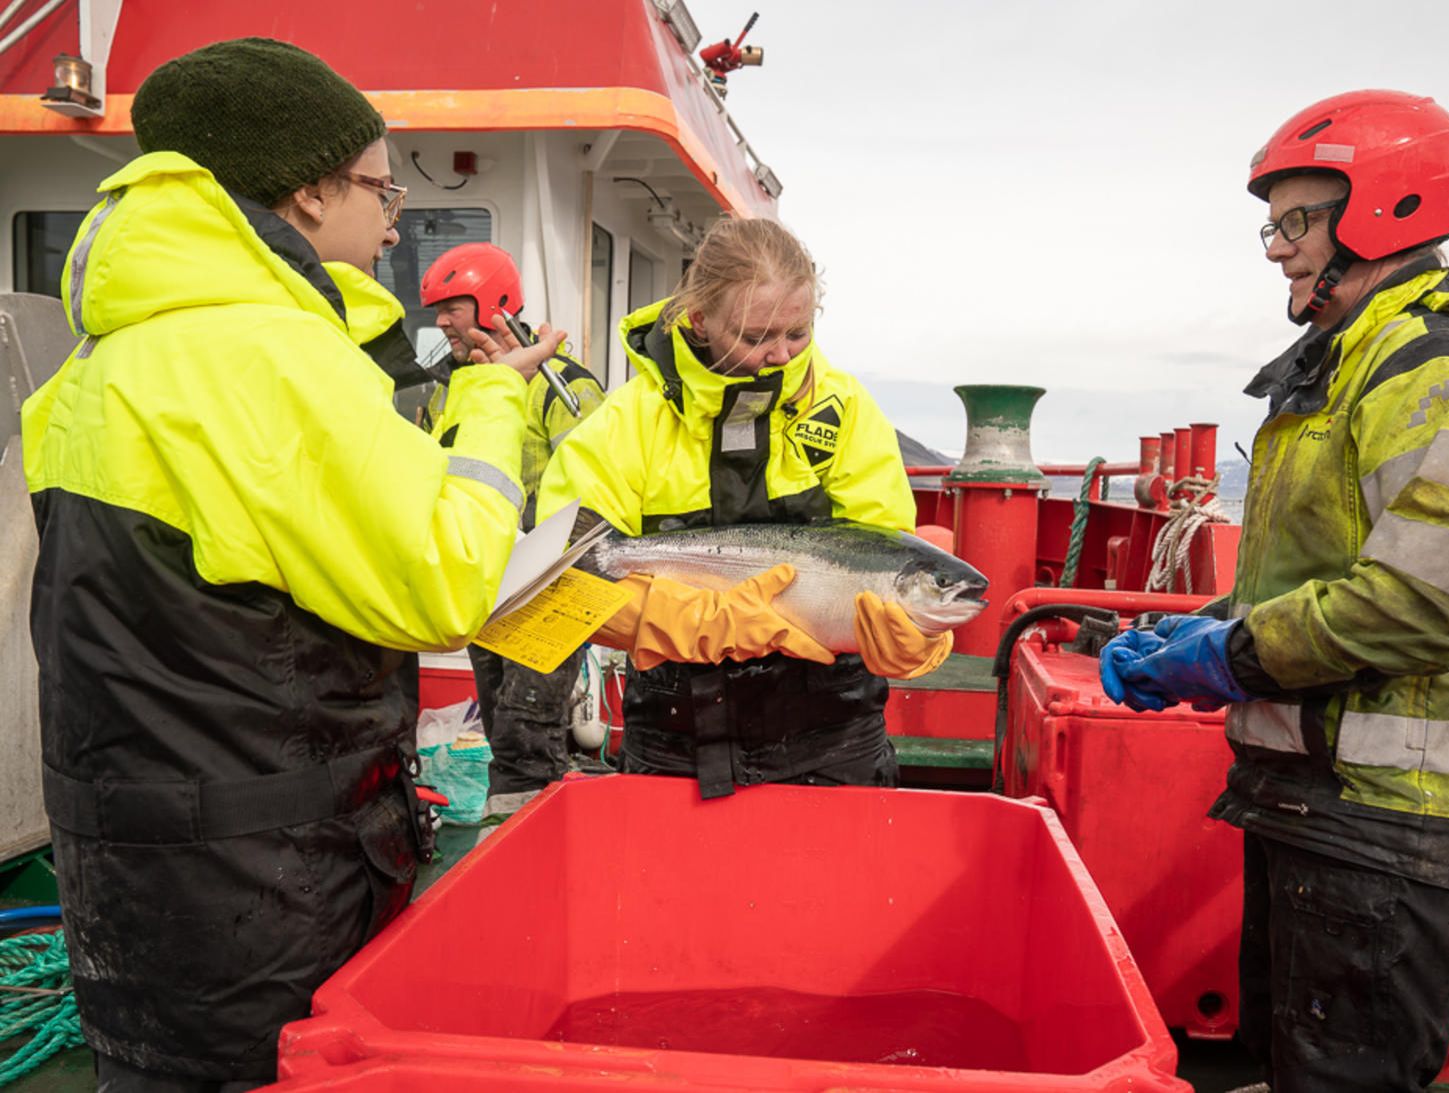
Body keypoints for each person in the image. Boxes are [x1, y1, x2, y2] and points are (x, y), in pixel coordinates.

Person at [23, 38, 559, 1091]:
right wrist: (495, 402)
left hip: (131, 884)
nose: (394, 217)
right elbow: (445, 585)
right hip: (268, 896)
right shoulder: (270, 355)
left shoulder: (104, 358)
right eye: (379, 184)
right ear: (309, 195)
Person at [1099, 90, 1449, 1091]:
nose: (1275, 247)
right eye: (1274, 222)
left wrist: (1227, 655)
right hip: (1314, 802)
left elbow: (1418, 602)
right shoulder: (1349, 363)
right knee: (1292, 1068)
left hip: (1387, 818)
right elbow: (1316, 575)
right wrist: (1208, 631)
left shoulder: (1441, 369)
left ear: (1382, 206)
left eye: (1295, 219)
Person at [535, 218, 950, 798]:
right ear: (699, 319)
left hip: (835, 740)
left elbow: (887, 551)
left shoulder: (847, 410)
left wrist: (916, 636)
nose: (780, 356)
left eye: (798, 334)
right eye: (755, 337)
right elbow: (558, 588)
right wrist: (692, 622)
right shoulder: (626, 425)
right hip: (673, 744)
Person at [417, 243, 607, 804]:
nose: (441, 321)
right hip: (488, 576)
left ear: (495, 302)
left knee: (528, 729)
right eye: (437, 309)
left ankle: (531, 847)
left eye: (453, 306)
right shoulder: (447, 391)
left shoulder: (563, 385)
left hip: (553, 578)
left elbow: (595, 493)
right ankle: (511, 840)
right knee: (503, 726)